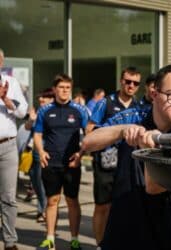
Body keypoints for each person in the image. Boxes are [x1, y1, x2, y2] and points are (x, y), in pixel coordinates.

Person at [81, 64, 171, 249]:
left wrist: (150, 149)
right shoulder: (135, 115)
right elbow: (88, 142)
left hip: (162, 233)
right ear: (155, 94)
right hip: (121, 228)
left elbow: (154, 188)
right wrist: (123, 130)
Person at [85, 67, 142, 247]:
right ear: (121, 81)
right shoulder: (106, 102)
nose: (131, 85)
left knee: (125, 206)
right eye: (128, 81)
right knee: (103, 205)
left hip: (129, 163)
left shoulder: (138, 106)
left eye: (135, 83)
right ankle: (101, 243)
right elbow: (89, 129)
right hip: (106, 161)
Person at [34, 74, 89, 250]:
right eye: (61, 87)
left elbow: (89, 134)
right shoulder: (45, 110)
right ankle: (50, 238)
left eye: (67, 87)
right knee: (52, 201)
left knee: (72, 201)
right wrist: (41, 151)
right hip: (51, 162)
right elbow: (37, 134)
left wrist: (81, 154)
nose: (65, 90)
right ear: (55, 89)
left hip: (72, 163)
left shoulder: (79, 110)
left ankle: (74, 239)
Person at [0, 48, 28, 250]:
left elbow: (23, 112)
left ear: (2, 62)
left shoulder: (12, 83)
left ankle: (10, 242)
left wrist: (6, 100)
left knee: (9, 198)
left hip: (7, 146)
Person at [24, 88, 55, 223]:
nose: (41, 100)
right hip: (33, 153)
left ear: (52, 99)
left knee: (43, 183)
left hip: (46, 152)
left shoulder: (54, 112)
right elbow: (27, 127)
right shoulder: (37, 111)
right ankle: (43, 209)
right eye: (40, 98)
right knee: (36, 181)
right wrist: (31, 120)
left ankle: (43, 211)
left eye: (45, 97)